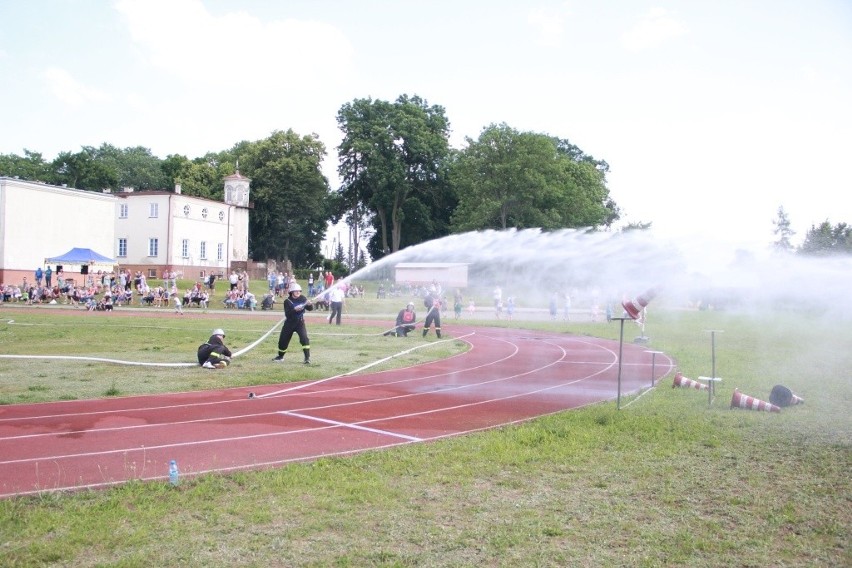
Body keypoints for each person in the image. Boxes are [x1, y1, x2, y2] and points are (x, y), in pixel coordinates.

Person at [273, 282, 314, 364]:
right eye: (296, 291)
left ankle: (307, 358)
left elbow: (310, 309)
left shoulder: (303, 298)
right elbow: (287, 314)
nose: (298, 292)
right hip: (289, 323)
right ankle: (280, 356)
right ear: (291, 292)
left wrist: (310, 305)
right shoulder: (287, 301)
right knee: (283, 340)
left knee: (304, 339)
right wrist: (294, 309)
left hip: (300, 323)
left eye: (299, 291)